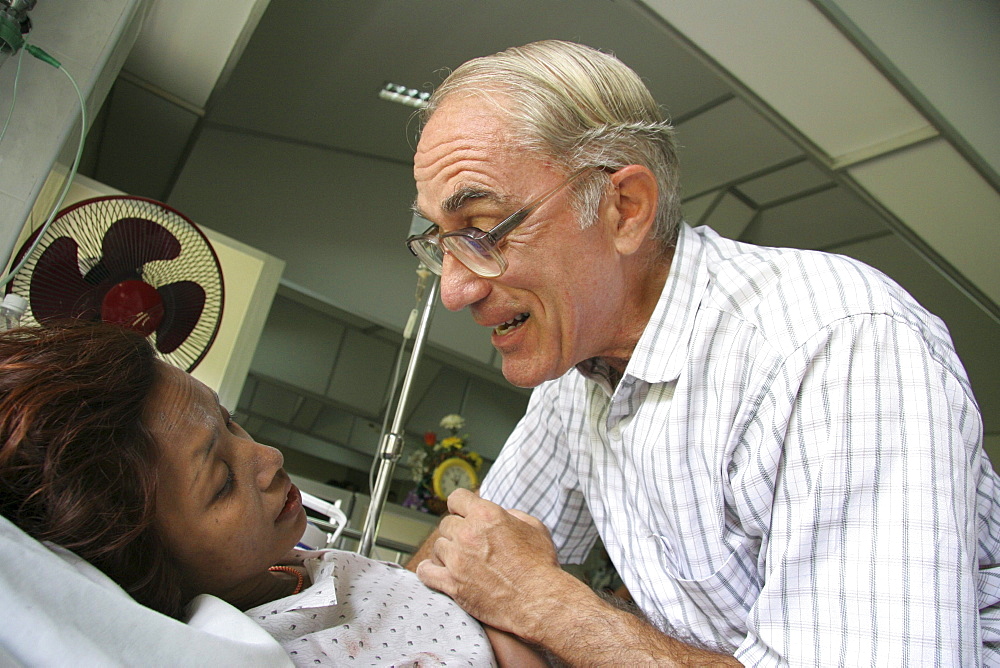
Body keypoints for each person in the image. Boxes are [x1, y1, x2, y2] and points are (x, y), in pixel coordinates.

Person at [404, 40, 1000, 665]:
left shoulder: (837, 343)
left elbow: (512, 586)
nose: (454, 289)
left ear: (623, 209)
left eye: (480, 229)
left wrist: (548, 606)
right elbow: (473, 557)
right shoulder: (578, 374)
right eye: (439, 240)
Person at [0, 322, 544, 667]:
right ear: (149, 565)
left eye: (231, 422)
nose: (268, 458)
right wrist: (522, 605)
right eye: (221, 482)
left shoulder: (296, 568)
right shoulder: (275, 650)